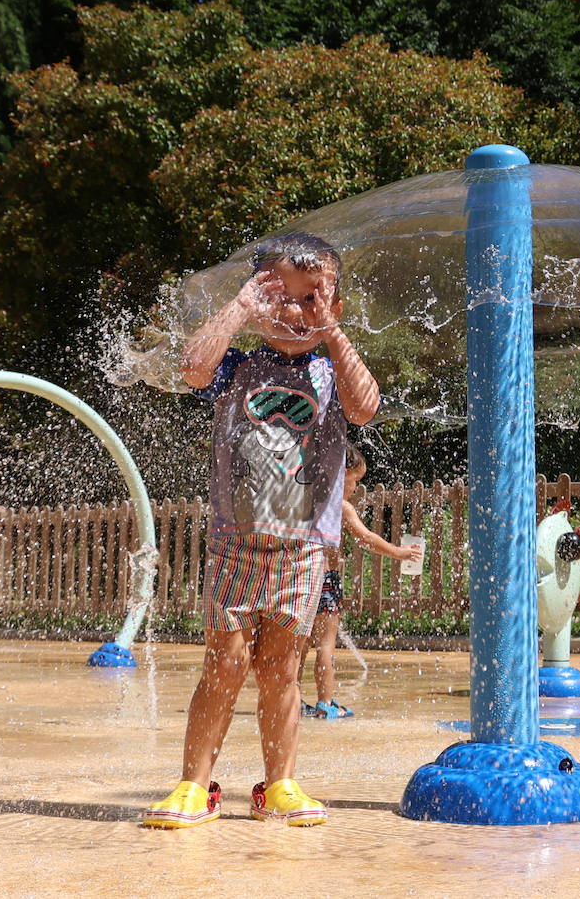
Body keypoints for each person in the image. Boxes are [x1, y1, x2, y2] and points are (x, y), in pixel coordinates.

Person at [142, 233, 379, 830]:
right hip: (236, 541)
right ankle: (195, 784)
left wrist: (333, 332)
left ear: (333, 307)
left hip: (301, 548)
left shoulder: (330, 370)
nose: (294, 311)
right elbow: (191, 368)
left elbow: (366, 407)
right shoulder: (236, 368)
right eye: (280, 296)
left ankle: (280, 783)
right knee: (224, 663)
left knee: (281, 670)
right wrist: (240, 307)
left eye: (310, 299)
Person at [299, 443, 422, 720]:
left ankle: (290, 699)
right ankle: (325, 703)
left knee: (300, 646)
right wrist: (399, 552)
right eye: (355, 481)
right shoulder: (339, 506)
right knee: (326, 645)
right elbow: (366, 538)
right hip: (326, 581)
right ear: (341, 474)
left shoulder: (305, 499)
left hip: (301, 579)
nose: (355, 488)